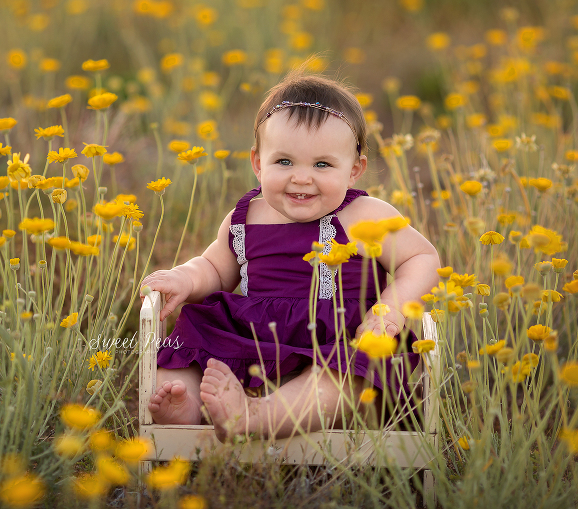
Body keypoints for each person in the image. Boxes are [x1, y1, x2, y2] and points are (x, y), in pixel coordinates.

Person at [140, 69, 440, 442]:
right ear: (257, 163)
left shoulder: (366, 215)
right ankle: (183, 405)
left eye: (322, 164)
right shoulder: (246, 215)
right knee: (192, 334)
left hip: (338, 335)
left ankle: (257, 415)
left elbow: (422, 259)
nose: (301, 177)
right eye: (284, 162)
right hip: (253, 335)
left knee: (344, 371)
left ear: (354, 171)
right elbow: (216, 268)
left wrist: (391, 308)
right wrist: (186, 277)